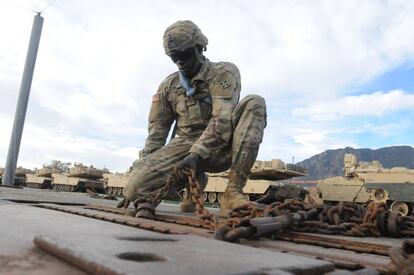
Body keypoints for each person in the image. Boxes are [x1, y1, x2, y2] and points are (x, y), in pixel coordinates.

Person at [122, 20, 267, 217]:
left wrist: (196, 155)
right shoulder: (168, 86)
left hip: (222, 145)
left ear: (200, 48)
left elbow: (222, 120)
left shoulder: (223, 72)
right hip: (184, 145)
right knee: (134, 188)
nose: (180, 62)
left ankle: (233, 192)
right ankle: (195, 182)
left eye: (184, 55)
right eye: (174, 57)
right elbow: (156, 135)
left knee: (254, 102)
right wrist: (140, 176)